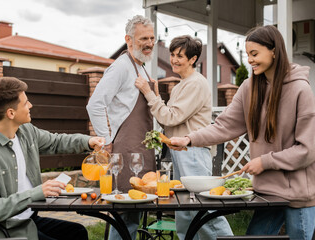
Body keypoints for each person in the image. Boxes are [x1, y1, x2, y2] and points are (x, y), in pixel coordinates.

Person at [169, 25, 315, 240]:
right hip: (267, 192)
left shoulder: (301, 89)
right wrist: (189, 139)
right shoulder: (250, 87)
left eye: (254, 54)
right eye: (248, 54)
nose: (250, 60)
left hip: (298, 194)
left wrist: (265, 161)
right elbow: (224, 126)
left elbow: (307, 150)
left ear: (274, 51)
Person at [0, 77, 105, 240]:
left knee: (77, 232)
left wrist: (87, 141)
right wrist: (38, 192)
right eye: (25, 103)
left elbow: (56, 141)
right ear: (11, 113)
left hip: (28, 220)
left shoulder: (25, 131)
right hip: (4, 229)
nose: (30, 105)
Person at [135, 35, 233, 239]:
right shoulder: (181, 84)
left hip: (193, 151)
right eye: (172, 54)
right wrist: (156, 95)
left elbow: (171, 118)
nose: (174, 59)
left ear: (193, 59)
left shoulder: (196, 84)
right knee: (184, 212)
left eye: (180, 56)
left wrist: (148, 94)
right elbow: (167, 121)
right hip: (181, 151)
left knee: (203, 209)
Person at [86, 15, 156, 240]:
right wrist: (105, 142)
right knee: (124, 213)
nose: (150, 43)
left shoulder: (140, 67)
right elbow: (95, 105)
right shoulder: (120, 67)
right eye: (144, 38)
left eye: (152, 38)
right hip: (125, 151)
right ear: (129, 39)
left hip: (142, 150)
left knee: (135, 214)